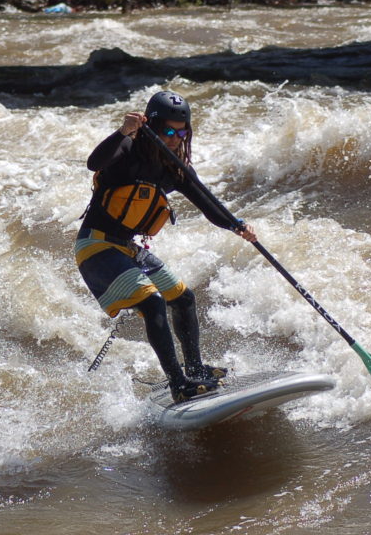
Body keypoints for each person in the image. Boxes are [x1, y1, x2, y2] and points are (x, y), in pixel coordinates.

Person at [74, 91, 257, 403]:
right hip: (96, 246)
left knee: (183, 298)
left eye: (181, 132)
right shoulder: (127, 150)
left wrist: (237, 225)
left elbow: (208, 204)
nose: (175, 138)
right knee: (153, 302)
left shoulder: (174, 168)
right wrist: (123, 131)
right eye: (168, 131)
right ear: (151, 126)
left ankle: (196, 370)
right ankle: (178, 383)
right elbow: (95, 161)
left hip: (127, 248)